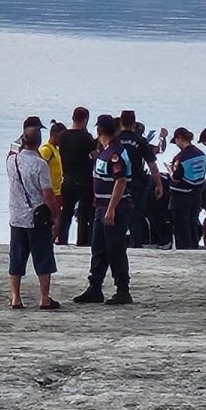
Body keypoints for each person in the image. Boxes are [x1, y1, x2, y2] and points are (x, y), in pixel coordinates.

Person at [74, 114, 133, 306]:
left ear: (99, 130)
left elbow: (121, 181)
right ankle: (95, 287)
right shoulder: (105, 151)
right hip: (100, 207)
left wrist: (111, 209)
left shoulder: (115, 153)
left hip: (114, 209)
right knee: (98, 248)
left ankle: (123, 290)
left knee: (115, 249)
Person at [7, 130, 61, 310]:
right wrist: (56, 214)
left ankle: (15, 297)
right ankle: (44, 298)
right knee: (43, 258)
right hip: (36, 218)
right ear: (39, 143)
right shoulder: (40, 164)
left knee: (16, 258)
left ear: (23, 141)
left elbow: (13, 149)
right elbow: (47, 193)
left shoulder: (11, 161)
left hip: (16, 216)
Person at [116, 111, 164, 248]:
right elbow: (152, 165)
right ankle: (135, 243)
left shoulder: (114, 139)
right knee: (137, 215)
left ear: (120, 122)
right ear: (134, 123)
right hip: (136, 182)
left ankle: (117, 242)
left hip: (116, 182)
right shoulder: (140, 141)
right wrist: (159, 184)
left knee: (116, 213)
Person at [58, 107, 98, 246]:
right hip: (84, 181)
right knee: (83, 214)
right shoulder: (85, 137)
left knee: (66, 213)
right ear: (85, 119)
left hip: (67, 178)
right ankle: (81, 242)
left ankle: (62, 240)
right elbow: (95, 154)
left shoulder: (62, 136)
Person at [165, 127, 206, 250]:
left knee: (181, 227)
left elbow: (176, 178)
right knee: (192, 223)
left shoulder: (181, 157)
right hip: (197, 194)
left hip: (180, 196)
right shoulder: (202, 155)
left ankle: (184, 250)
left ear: (179, 138)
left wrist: (170, 170)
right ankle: (194, 247)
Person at [39, 122, 66, 226]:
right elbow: (39, 169)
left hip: (58, 191)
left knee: (58, 221)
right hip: (51, 192)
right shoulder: (46, 150)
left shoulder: (56, 150)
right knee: (53, 221)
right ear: (54, 135)